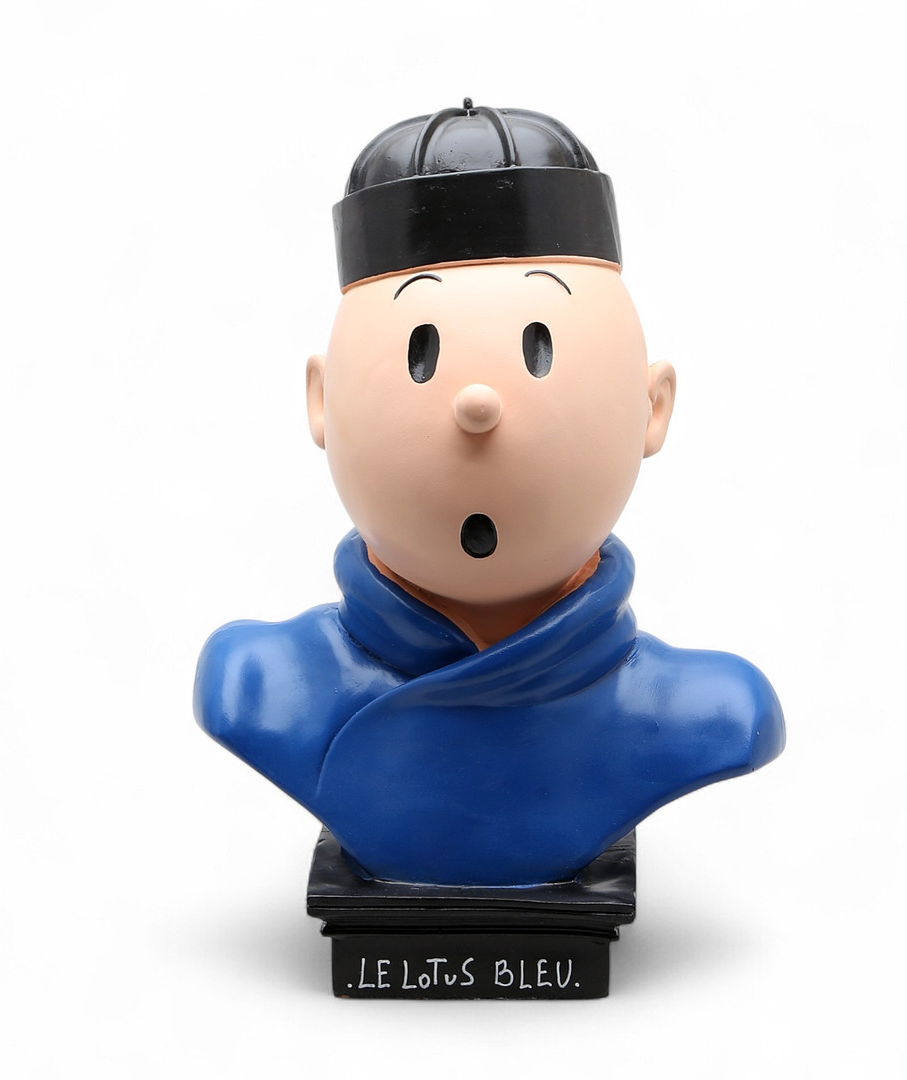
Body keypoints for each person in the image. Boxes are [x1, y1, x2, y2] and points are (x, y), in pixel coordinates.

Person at [195, 102, 785, 887]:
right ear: (322, 403)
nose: (478, 404)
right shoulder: (258, 683)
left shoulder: (710, 711)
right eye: (422, 353)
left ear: (653, 408)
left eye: (539, 350)